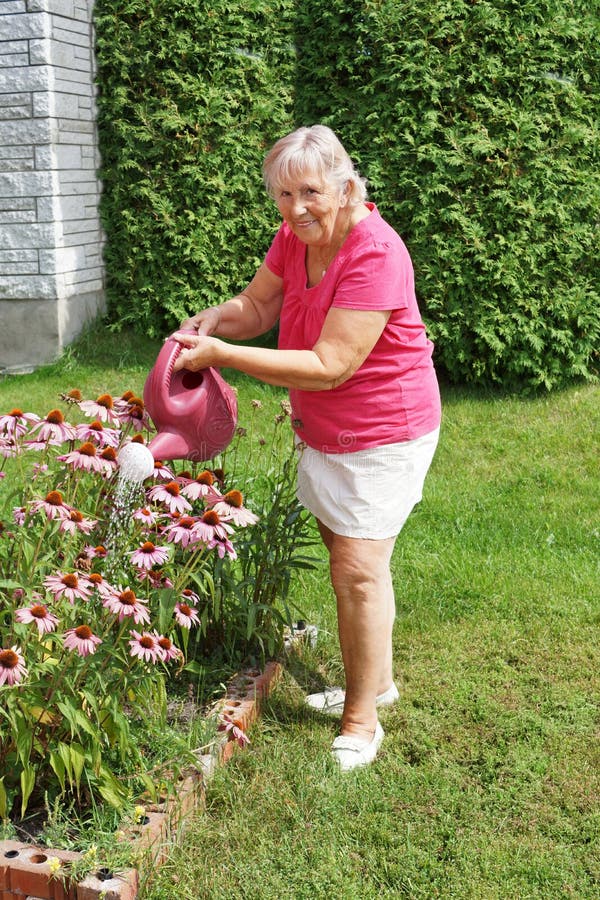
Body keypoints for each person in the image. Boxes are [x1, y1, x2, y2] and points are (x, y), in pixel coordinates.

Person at [171, 125, 441, 772]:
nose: (295, 209)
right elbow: (260, 304)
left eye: (310, 192)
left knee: (357, 570)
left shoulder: (376, 252)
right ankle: (377, 683)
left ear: (347, 187)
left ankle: (361, 721)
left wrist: (224, 357)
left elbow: (331, 363)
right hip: (325, 430)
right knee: (356, 566)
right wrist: (215, 318)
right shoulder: (295, 237)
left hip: (384, 432)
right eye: (283, 194)